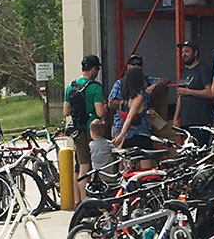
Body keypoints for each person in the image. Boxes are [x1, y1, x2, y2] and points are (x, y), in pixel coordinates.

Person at [65, 54, 107, 197]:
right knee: (96, 165)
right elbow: (100, 112)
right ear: (94, 69)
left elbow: (65, 112)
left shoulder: (71, 86)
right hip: (93, 131)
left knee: (83, 167)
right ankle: (96, 198)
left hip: (78, 131)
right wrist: (105, 107)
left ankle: (83, 200)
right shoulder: (95, 88)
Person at [107, 54, 162, 133]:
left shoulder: (146, 81)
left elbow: (164, 80)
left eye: (139, 64)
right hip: (121, 126)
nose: (136, 66)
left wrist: (154, 85)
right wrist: (129, 104)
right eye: (133, 64)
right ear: (128, 66)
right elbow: (111, 103)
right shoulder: (120, 83)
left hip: (143, 128)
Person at [173, 39, 214, 131]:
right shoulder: (184, 72)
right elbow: (180, 96)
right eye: (182, 52)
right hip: (186, 121)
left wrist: (189, 92)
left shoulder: (203, 69)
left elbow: (210, 92)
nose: (184, 55)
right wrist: (176, 118)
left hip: (201, 121)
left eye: (187, 51)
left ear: (195, 53)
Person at [112, 66, 155, 151]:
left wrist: (121, 135)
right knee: (145, 162)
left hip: (128, 136)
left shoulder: (125, 99)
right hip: (140, 134)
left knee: (127, 162)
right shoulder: (138, 97)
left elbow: (123, 118)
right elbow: (130, 116)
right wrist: (122, 135)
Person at [88, 117, 118, 183]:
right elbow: (115, 151)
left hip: (96, 171)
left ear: (92, 133)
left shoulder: (91, 145)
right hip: (108, 172)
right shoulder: (108, 144)